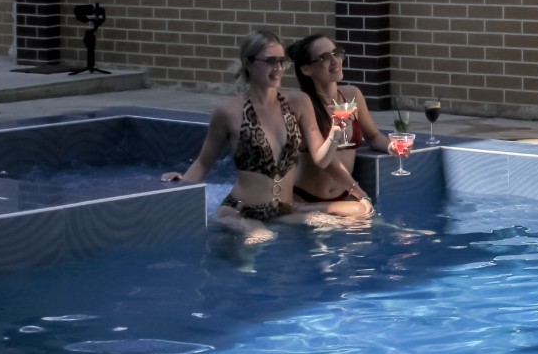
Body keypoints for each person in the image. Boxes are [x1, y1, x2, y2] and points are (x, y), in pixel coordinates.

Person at [161, 28, 351, 234]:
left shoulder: (298, 102)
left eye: (281, 61)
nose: (278, 68)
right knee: (260, 237)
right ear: (248, 63)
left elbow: (321, 159)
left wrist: (335, 131)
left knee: (353, 222)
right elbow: (203, 163)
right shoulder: (228, 112)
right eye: (270, 61)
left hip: (282, 211)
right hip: (240, 211)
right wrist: (181, 187)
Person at [287, 33, 385, 217]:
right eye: (324, 58)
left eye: (336, 53)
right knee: (361, 214)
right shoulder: (303, 105)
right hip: (306, 198)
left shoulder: (352, 95)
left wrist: (392, 146)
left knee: (364, 218)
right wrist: (360, 193)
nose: (335, 61)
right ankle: (295, 210)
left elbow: (373, 136)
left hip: (342, 197)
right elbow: (326, 162)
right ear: (306, 69)